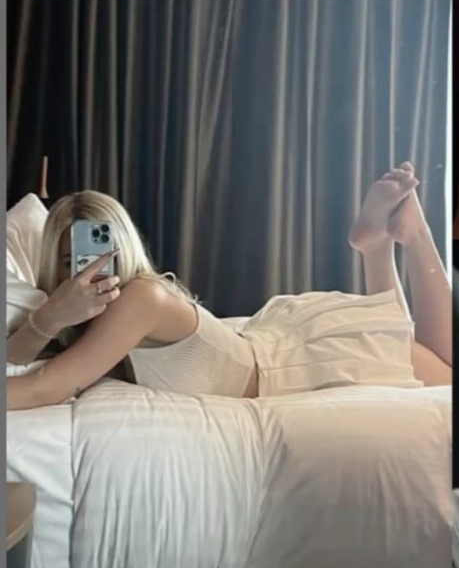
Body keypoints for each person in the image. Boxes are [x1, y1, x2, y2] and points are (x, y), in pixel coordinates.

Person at [6, 162, 451, 411]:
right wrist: (52, 317)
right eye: (68, 263)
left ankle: (413, 234)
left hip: (289, 365)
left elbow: (48, 385)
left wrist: (51, 319)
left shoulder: (141, 297)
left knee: (448, 373)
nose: (85, 272)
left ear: (123, 250)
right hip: (267, 348)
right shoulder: (80, 317)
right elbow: (18, 358)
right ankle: (377, 247)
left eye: (101, 255)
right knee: (407, 342)